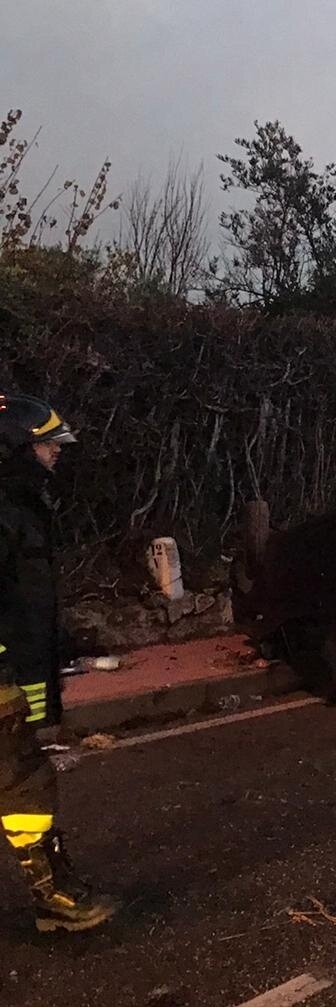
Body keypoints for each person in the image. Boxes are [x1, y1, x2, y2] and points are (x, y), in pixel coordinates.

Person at [0, 393, 117, 932]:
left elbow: (24, 601)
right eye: (47, 446)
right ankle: (52, 896)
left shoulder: (17, 510)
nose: (56, 456)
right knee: (24, 783)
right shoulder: (6, 514)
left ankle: (52, 890)